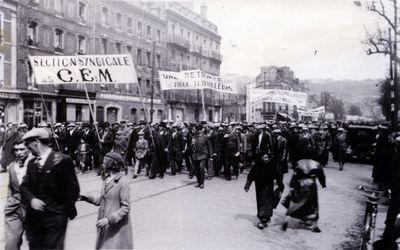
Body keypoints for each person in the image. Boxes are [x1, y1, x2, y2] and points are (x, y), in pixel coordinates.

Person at [20, 128, 80, 250]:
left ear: (36, 142)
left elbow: (73, 189)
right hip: (35, 220)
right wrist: (31, 199)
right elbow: (24, 186)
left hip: (56, 218)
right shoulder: (32, 163)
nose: (27, 148)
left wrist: (62, 211)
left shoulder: (62, 160)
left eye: (28, 144)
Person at [81, 152, 133, 249]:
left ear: (113, 164)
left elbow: (126, 207)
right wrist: (85, 198)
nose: (102, 164)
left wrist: (109, 219)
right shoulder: (106, 180)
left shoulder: (123, 182)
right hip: (105, 224)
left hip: (116, 227)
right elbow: (102, 200)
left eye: (105, 161)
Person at [281, 159, 326, 233]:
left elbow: (295, 175)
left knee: (295, 203)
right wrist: (323, 184)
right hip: (311, 186)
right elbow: (321, 175)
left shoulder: (299, 162)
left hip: (300, 185)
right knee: (312, 205)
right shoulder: (316, 164)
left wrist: (292, 184)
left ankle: (286, 221)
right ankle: (314, 225)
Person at [244, 124, 273, 230]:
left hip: (268, 185)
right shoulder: (257, 165)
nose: (266, 159)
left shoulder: (267, 135)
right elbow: (251, 174)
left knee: (267, 200)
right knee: (261, 200)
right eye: (264, 158)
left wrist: (280, 184)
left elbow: (277, 174)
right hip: (260, 185)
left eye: (267, 158)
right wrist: (247, 185)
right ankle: (263, 217)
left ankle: (265, 218)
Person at [4, 140, 31, 250]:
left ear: (29, 149)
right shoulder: (12, 167)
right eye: (16, 150)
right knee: (11, 245)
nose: (18, 152)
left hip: (32, 210)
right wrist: (9, 201)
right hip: (14, 209)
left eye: (21, 149)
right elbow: (10, 186)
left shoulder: (36, 165)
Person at [191, 124, 213, 189]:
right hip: (196, 155)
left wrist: (211, 156)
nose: (199, 131)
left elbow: (210, 146)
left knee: (201, 167)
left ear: (202, 130)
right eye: (198, 130)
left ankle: (202, 183)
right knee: (197, 169)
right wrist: (192, 143)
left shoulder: (206, 137)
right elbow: (192, 147)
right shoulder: (194, 137)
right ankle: (198, 182)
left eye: (200, 130)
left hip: (204, 155)